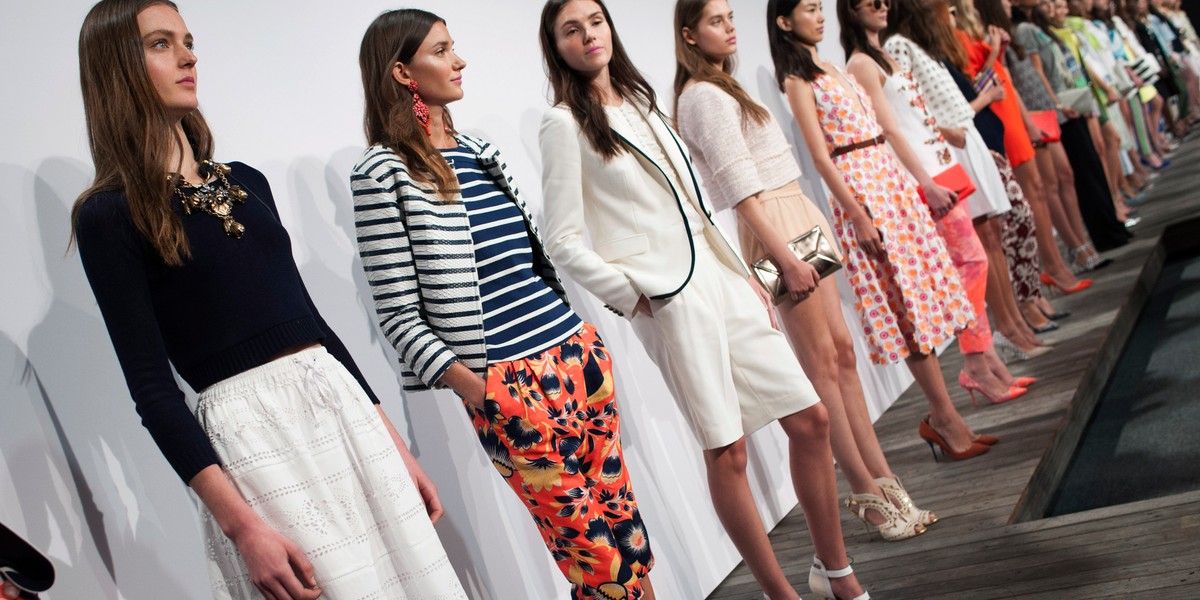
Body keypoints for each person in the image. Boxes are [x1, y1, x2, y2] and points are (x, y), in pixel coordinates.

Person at [70, 1, 466, 598]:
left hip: (341, 410)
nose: (188, 55)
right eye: (160, 44)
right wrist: (242, 527)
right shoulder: (110, 214)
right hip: (253, 441)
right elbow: (152, 391)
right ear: (116, 66)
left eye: (188, 40)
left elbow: (315, 327)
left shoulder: (246, 181)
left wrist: (393, 444)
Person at [538, 1, 868, 598]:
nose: (589, 35)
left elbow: (691, 201)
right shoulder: (565, 124)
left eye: (596, 21)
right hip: (669, 300)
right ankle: (781, 593)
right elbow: (560, 240)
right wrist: (637, 295)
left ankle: (834, 571)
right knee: (728, 449)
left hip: (721, 278)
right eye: (572, 29)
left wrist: (741, 273)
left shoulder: (643, 102)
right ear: (556, 46)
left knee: (812, 417)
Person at [351, 9, 654, 599]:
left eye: (453, 46)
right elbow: (396, 313)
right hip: (507, 385)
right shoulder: (382, 173)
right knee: (595, 562)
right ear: (402, 72)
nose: (458, 60)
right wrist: (483, 391)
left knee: (626, 539)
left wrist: (585, 343)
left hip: (574, 358)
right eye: (441, 51)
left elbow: (532, 263)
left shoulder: (480, 151)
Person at [672, 0, 933, 544]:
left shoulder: (725, 87)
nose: (729, 27)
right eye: (715, 21)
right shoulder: (701, 96)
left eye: (730, 17)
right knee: (820, 364)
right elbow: (740, 190)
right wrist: (785, 259)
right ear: (689, 36)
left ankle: (883, 478)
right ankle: (865, 488)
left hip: (796, 212)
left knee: (842, 354)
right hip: (774, 224)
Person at [767, 0, 997, 463]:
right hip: (862, 190)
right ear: (783, 22)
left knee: (923, 304)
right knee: (906, 307)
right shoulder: (797, 80)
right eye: (808, 9)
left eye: (818, 7)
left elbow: (885, 129)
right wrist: (856, 214)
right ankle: (945, 419)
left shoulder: (832, 65)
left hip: (889, 181)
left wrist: (919, 184)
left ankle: (945, 415)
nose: (818, 15)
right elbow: (818, 155)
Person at [840, 0, 1037, 397]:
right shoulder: (862, 62)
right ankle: (977, 363)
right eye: (869, 2)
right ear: (851, 11)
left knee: (971, 259)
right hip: (923, 175)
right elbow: (888, 130)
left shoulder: (882, 53)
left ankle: (985, 361)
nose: (881, 6)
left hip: (939, 166)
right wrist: (924, 181)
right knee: (970, 260)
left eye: (883, 1)